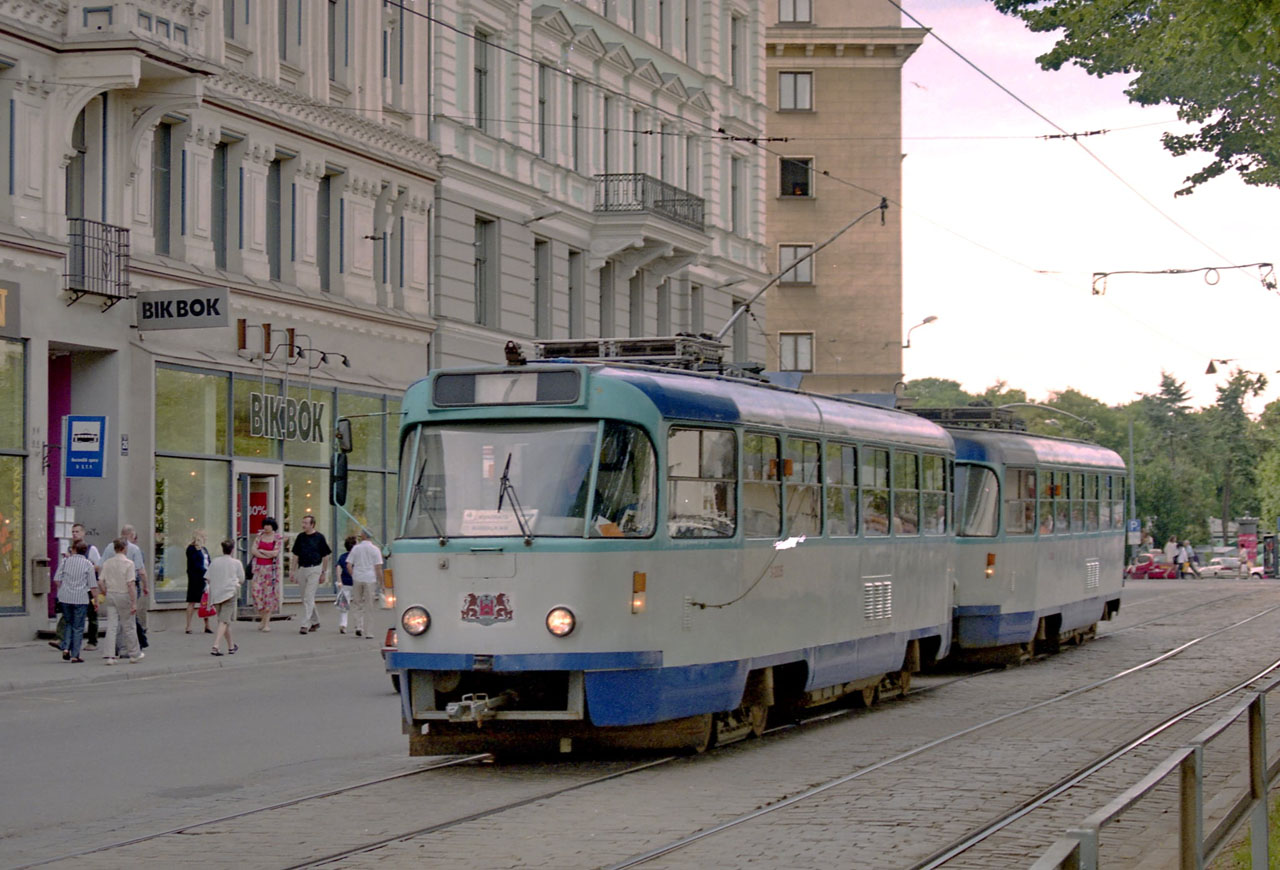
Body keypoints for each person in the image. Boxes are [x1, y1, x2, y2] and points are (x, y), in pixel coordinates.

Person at [50, 523, 103, 651]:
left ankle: (92, 641)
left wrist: (86, 566)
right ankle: (61, 638)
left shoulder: (91, 549)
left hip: (88, 587)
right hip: (72, 588)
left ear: (83, 533)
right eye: (73, 532)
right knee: (67, 615)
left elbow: (99, 565)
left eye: (77, 531)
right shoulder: (69, 550)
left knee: (92, 615)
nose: (74, 534)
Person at [98, 538, 142, 664]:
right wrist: (134, 602)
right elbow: (131, 584)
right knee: (129, 625)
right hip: (124, 595)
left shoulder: (107, 563)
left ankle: (110, 655)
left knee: (112, 625)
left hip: (111, 594)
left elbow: (100, 581)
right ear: (125, 548)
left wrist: (105, 591)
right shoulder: (129, 564)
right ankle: (134, 653)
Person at [54, 541, 98, 663]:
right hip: (81, 598)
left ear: (73, 550)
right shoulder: (88, 564)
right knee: (78, 627)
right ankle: (75, 655)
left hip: (65, 597)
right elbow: (93, 586)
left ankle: (66, 648)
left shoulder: (65, 561)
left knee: (68, 622)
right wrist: (96, 601)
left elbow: (57, 579)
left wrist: (63, 588)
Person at [290, 515, 332, 634]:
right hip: (303, 568)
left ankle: (305, 624)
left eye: (306, 523)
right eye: (303, 522)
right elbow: (296, 554)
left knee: (309, 596)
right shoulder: (300, 537)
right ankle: (316, 621)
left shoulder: (319, 537)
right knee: (305, 598)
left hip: (315, 569)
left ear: (312, 525)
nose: (303, 525)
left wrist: (324, 572)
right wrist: (293, 570)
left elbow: (325, 556)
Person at [206, 539, 244, 656]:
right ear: (232, 550)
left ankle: (231, 646)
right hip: (229, 593)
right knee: (224, 621)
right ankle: (216, 645)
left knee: (224, 621)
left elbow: (208, 578)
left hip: (216, 594)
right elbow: (242, 579)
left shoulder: (215, 562)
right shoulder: (236, 563)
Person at [347, 531, 384, 638]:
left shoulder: (356, 548)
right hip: (370, 578)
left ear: (362, 537)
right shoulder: (375, 550)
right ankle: (369, 632)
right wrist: (381, 583)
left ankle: (359, 626)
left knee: (358, 603)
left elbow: (349, 565)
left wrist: (353, 575)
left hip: (358, 577)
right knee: (370, 605)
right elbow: (378, 568)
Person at [250, 518, 282, 632]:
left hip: (270, 571)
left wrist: (262, 551)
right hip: (258, 569)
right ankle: (262, 618)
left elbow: (275, 553)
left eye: (268, 525)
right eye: (265, 525)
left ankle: (266, 623)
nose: (266, 527)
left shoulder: (277, 538)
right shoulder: (259, 536)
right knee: (256, 593)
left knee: (268, 596)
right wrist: (264, 554)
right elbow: (253, 550)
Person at [184, 529, 212, 634]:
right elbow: (195, 564)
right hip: (196, 578)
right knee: (192, 601)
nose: (206, 538)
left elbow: (208, 561)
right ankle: (188, 625)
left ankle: (207, 625)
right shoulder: (191, 549)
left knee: (205, 601)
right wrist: (204, 572)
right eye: (204, 536)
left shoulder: (204, 549)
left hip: (205, 578)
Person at [335, 535, 355, 634]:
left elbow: (338, 569)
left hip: (345, 583)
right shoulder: (356, 557)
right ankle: (358, 625)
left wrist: (339, 581)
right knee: (359, 605)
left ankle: (343, 624)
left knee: (344, 605)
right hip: (356, 583)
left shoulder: (343, 557)